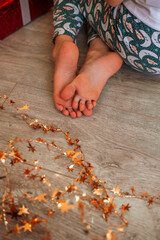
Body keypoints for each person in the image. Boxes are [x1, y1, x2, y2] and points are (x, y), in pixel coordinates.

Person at [52, 0, 160, 118]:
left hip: (138, 38)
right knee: (103, 15)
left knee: (103, 7)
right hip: (153, 59)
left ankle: (63, 40)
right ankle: (98, 51)